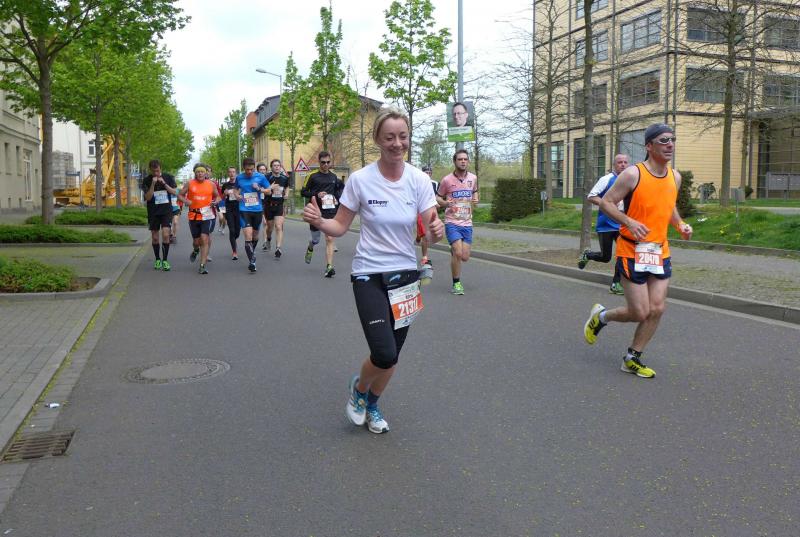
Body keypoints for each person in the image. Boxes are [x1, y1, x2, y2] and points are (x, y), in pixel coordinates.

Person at [302, 106, 444, 434]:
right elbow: (340, 226)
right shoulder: (361, 180)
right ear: (378, 139)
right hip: (369, 274)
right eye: (390, 137)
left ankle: (373, 405)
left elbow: (430, 229)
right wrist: (320, 221)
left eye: (403, 136)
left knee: (392, 356)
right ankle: (360, 390)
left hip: (405, 277)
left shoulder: (419, 180)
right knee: (383, 351)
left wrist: (436, 233)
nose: (397, 143)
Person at [583, 123, 692, 379]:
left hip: (659, 251)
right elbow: (607, 203)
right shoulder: (633, 174)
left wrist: (680, 225)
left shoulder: (675, 177)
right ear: (649, 146)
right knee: (639, 312)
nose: (670, 144)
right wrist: (629, 221)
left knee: (657, 308)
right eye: (663, 140)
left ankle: (632, 357)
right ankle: (601, 317)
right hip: (631, 250)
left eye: (672, 140)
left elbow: (669, 206)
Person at [578, 154, 629, 295]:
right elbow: (591, 196)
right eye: (620, 162)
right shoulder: (606, 179)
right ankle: (587, 255)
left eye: (625, 162)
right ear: (614, 165)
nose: (623, 165)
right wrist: (608, 204)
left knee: (623, 254)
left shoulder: (630, 181)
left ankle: (616, 283)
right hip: (606, 224)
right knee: (606, 257)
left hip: (622, 224)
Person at [437, 149, 479, 295]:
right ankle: (456, 284)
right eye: (460, 159)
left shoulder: (473, 178)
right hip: (452, 222)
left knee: (465, 257)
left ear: (468, 161)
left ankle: (455, 251)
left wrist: (476, 199)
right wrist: (445, 203)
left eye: (465, 159)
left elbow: (474, 192)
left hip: (467, 222)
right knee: (459, 253)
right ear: (454, 161)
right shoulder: (447, 180)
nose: (463, 161)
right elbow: (438, 197)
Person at [301, 151, 344, 277]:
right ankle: (311, 246)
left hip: (330, 211)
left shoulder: (333, 177)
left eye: (328, 162)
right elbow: (303, 192)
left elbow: (337, 193)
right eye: (323, 162)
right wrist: (316, 194)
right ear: (319, 162)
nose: (326, 165)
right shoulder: (312, 176)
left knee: (330, 238)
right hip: (315, 211)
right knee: (316, 239)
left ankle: (329, 266)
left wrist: (337, 200)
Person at [178, 163, 221, 274]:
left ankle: (202, 265)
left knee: (204, 238)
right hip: (194, 215)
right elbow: (180, 195)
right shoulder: (190, 183)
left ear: (205, 173)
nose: (200, 173)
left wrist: (215, 202)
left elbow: (218, 196)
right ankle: (196, 249)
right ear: (195, 173)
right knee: (196, 242)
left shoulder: (211, 184)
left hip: (207, 215)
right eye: (198, 172)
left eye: (202, 172)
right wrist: (186, 201)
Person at [235, 157, 270, 272]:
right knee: (248, 235)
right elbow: (235, 189)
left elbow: (269, 190)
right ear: (243, 168)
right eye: (247, 169)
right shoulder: (239, 177)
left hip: (257, 210)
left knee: (255, 236)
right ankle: (252, 261)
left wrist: (259, 189)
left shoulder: (260, 177)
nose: (249, 172)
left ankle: (251, 252)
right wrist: (237, 195)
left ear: (254, 168)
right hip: (244, 209)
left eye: (251, 169)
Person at [141, 159, 177, 271]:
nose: (156, 173)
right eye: (153, 171)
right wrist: (153, 184)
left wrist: (164, 183)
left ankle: (165, 260)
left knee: (166, 235)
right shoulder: (147, 180)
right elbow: (148, 198)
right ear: (150, 170)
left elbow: (174, 192)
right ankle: (157, 259)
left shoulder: (168, 177)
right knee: (155, 237)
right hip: (153, 211)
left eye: (157, 170)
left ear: (160, 168)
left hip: (166, 211)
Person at [417, 165, 439, 284]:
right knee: (424, 234)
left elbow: (438, 197)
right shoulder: (417, 182)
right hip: (420, 211)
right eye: (426, 172)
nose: (428, 174)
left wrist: (441, 203)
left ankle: (419, 238)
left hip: (431, 211)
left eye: (430, 172)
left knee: (426, 234)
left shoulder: (435, 184)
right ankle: (425, 256)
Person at [264, 159, 290, 258]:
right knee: (270, 228)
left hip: (279, 205)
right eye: (274, 165)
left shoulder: (284, 178)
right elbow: (263, 189)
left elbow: (287, 187)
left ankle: (278, 248)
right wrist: (270, 188)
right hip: (269, 205)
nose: (277, 167)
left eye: (278, 165)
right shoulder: (267, 177)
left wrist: (286, 194)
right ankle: (268, 239)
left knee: (279, 226)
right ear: (271, 167)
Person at [220, 166, 241, 260]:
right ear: (228, 174)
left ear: (236, 173)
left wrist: (239, 195)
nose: (232, 174)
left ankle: (233, 240)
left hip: (239, 209)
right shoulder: (225, 185)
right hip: (229, 209)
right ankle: (234, 252)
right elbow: (222, 197)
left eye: (233, 172)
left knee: (237, 231)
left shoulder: (240, 184)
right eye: (230, 172)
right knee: (232, 230)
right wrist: (224, 194)